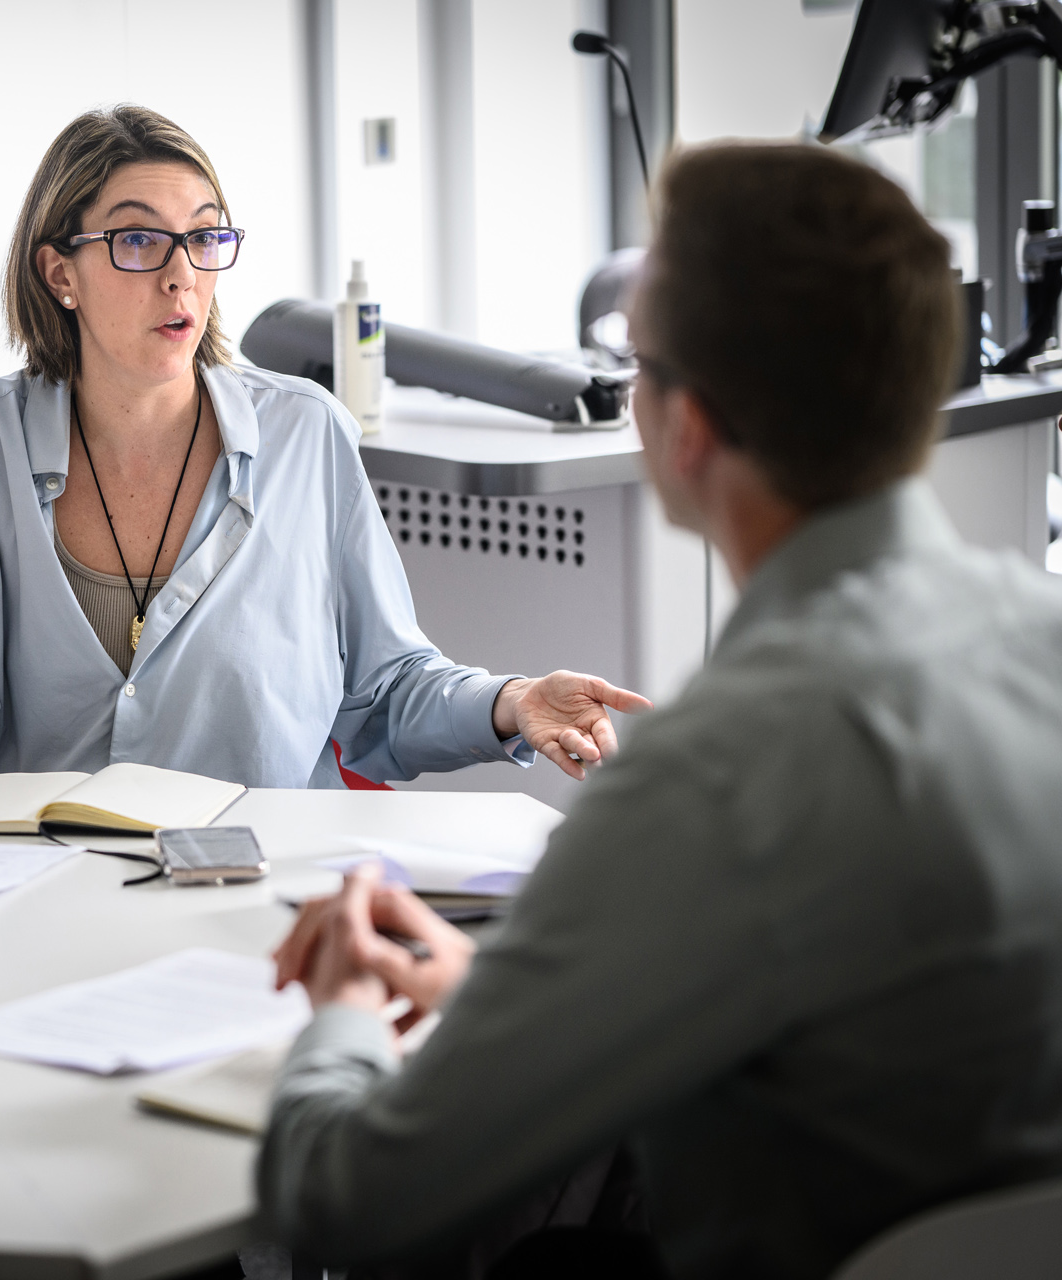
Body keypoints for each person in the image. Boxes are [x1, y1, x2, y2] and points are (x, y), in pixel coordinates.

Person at [258, 141, 1062, 1279]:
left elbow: (341, 1198)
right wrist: (512, 993)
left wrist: (339, 1012)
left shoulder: (715, 776)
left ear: (683, 427)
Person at [0, 105, 649, 789]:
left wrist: (513, 702)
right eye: (137, 241)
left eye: (204, 238)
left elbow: (384, 694)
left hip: (266, 889)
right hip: (51, 893)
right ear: (60, 275)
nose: (181, 275)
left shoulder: (304, 433)